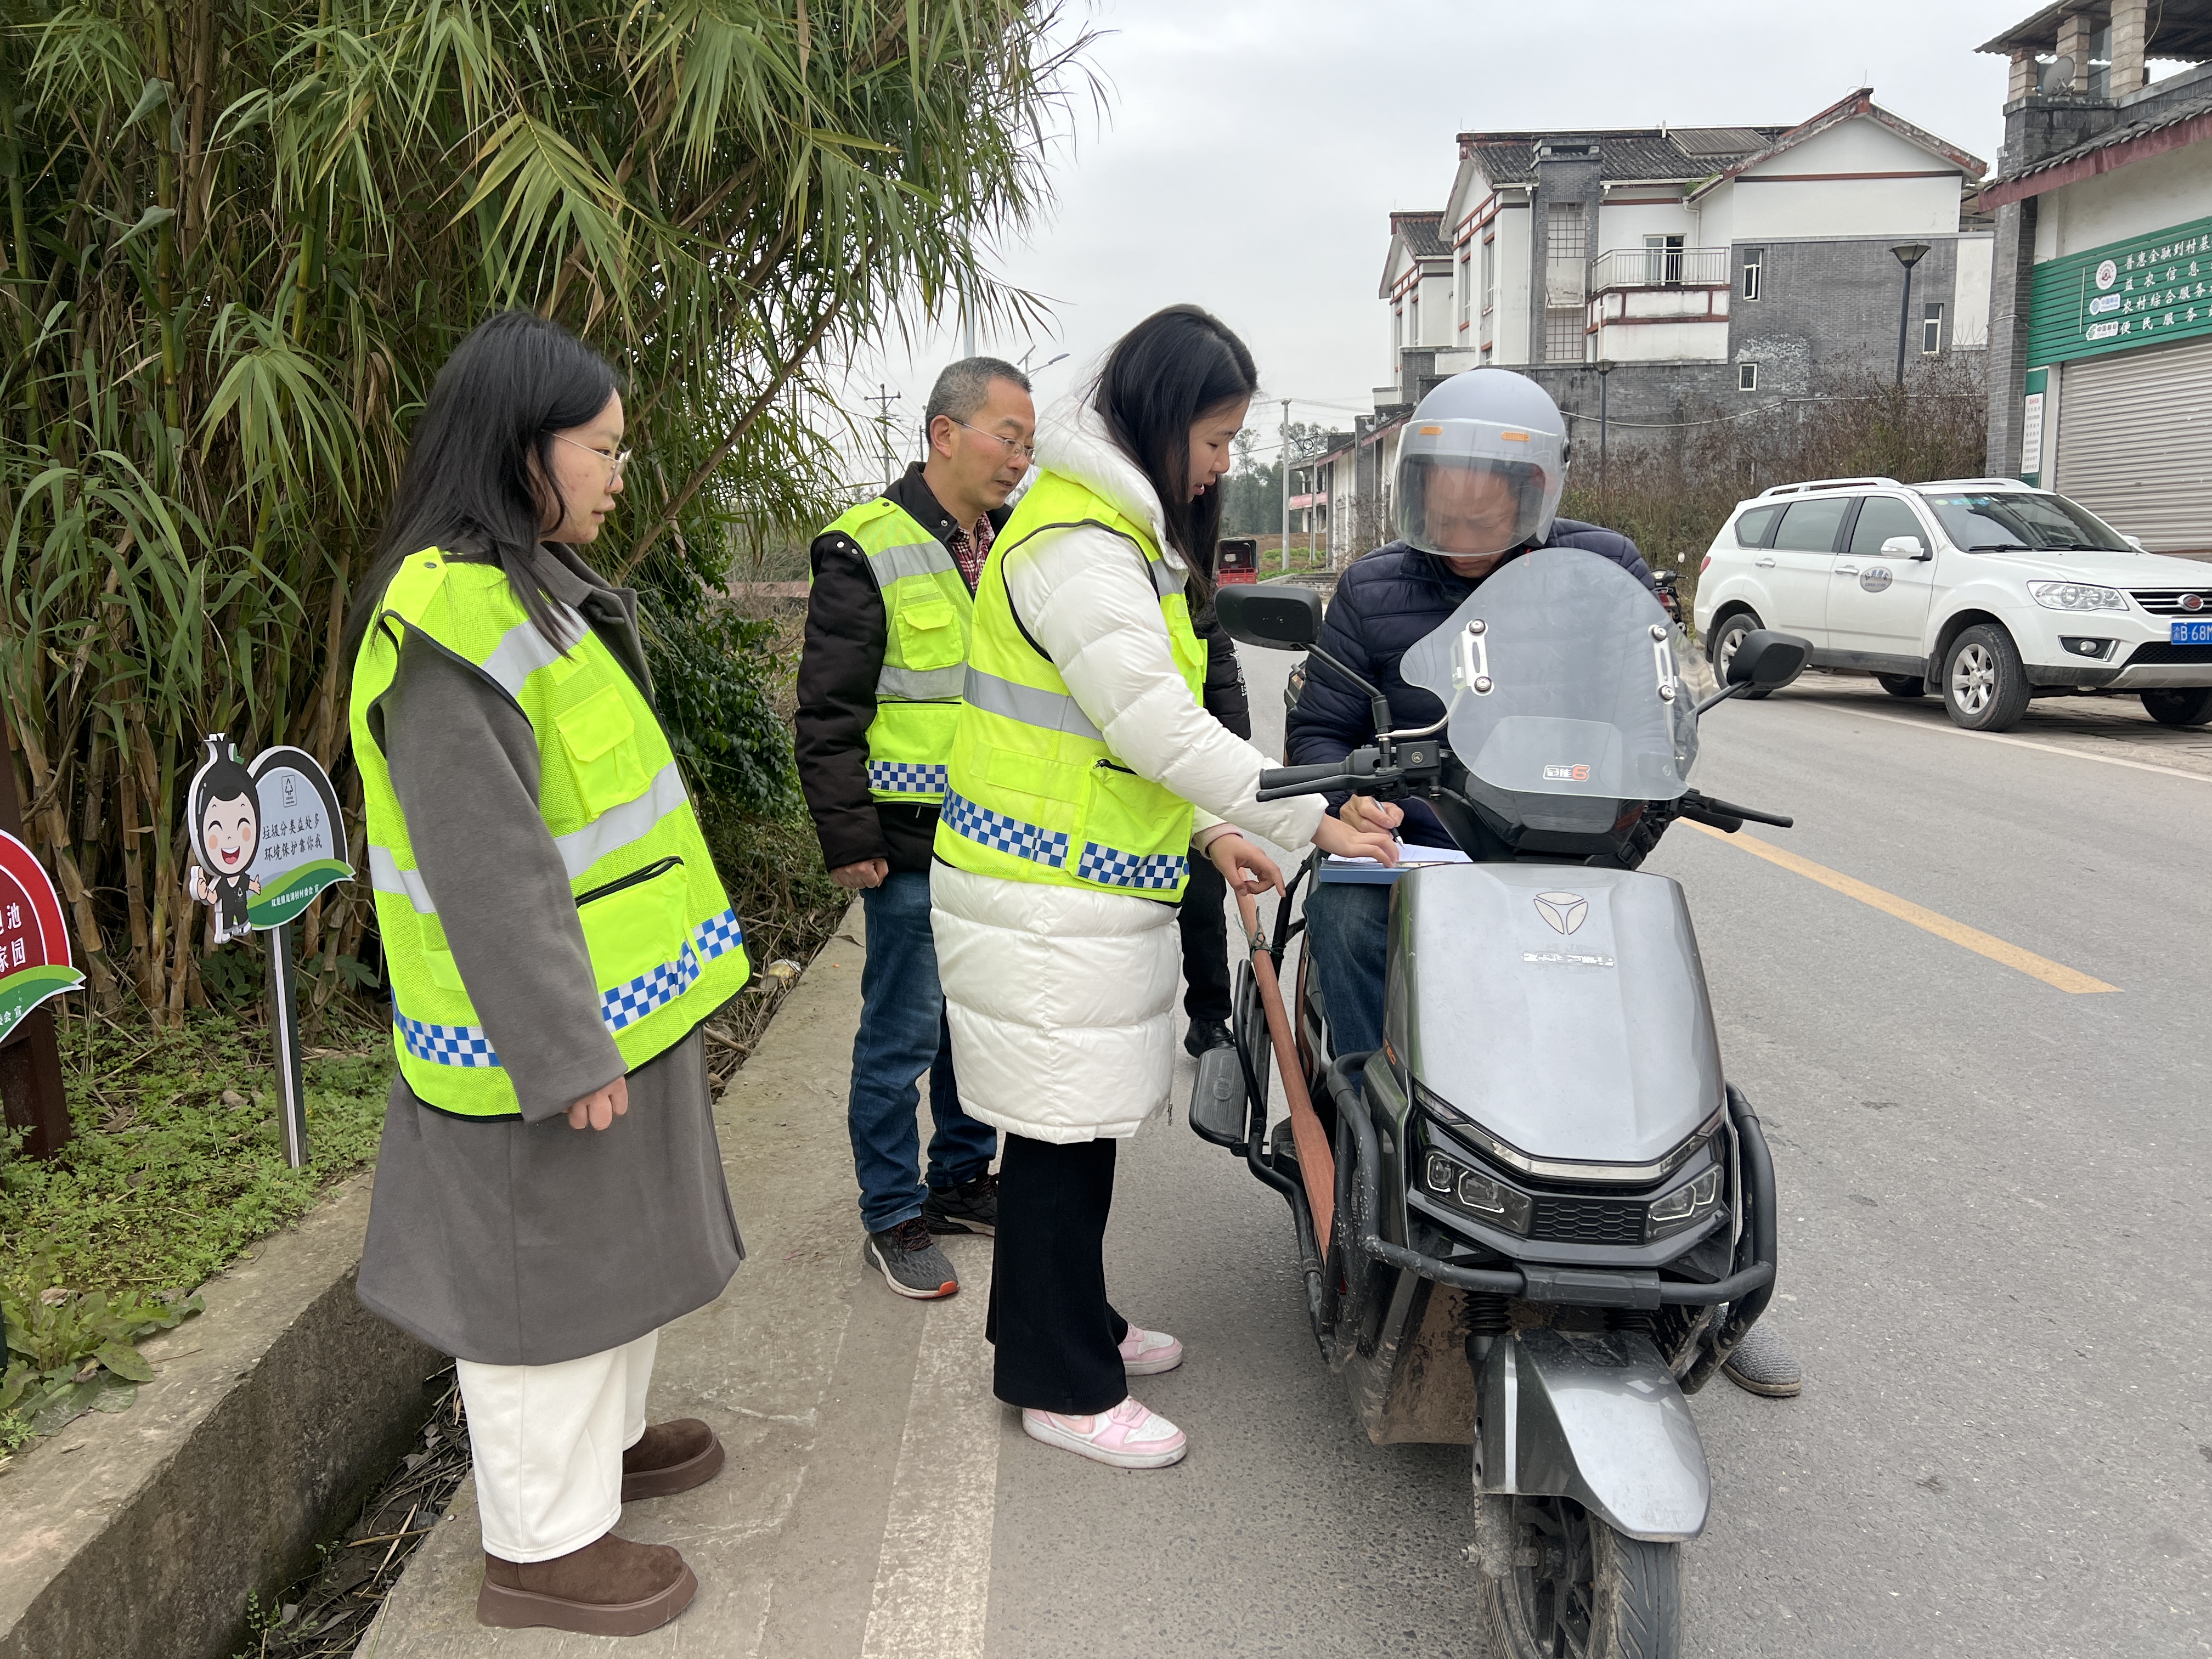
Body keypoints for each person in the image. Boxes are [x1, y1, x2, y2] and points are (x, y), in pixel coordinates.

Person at [928, 305, 1398, 1470]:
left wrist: (1209, 831)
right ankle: (1060, 1384)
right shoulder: (1081, 547)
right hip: (1040, 894)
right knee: (1056, 1136)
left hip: (1070, 885)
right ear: (1160, 417)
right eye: (1217, 438)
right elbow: (1155, 725)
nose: (1222, 464)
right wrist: (1308, 816)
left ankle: (1067, 1322)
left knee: (1075, 1129)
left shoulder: (1106, 530)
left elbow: (1116, 738)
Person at [1286, 365, 1802, 1401]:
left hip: (1565, 848)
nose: (1460, 524)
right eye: (1442, 501)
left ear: (1533, 495)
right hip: (1422, 851)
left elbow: (1656, 704)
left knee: (1646, 1013)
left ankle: (1694, 1276)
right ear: (1416, 489)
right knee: (1342, 906)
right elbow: (1320, 734)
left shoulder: (1600, 569)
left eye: (1483, 506)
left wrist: (1643, 781)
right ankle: (1361, 1130)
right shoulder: (1373, 587)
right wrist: (1355, 802)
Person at [346, 312, 748, 1637]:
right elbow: (491, 872)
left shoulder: (534, 587)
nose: (620, 474)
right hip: (538, 1037)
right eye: (602, 448)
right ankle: (540, 1549)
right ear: (524, 449)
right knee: (538, 1287)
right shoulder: (453, 625)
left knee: (610, 1255)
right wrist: (563, 1049)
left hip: (620, 1003)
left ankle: (605, 1453)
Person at [796, 358, 1034, 1299]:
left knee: (974, 1028)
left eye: (1028, 443)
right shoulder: (867, 546)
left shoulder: (1017, 546)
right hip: (906, 845)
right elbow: (828, 711)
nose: (1019, 458)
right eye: (1007, 437)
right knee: (902, 1033)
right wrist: (849, 836)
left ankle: (962, 1177)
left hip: (999, 841)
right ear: (944, 433)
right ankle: (893, 1210)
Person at [1175, 602, 1252, 1056]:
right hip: (1109, 789)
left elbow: (1232, 724)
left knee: (1203, 907)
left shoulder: (1202, 617)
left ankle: (1208, 1019)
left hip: (1191, 789)